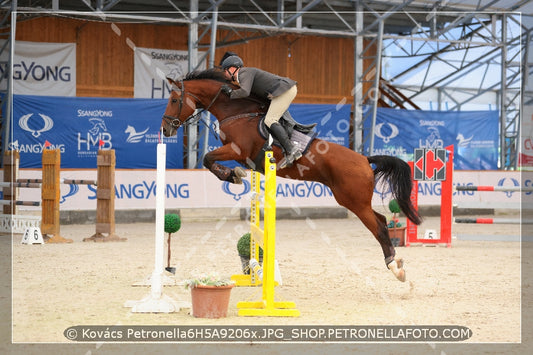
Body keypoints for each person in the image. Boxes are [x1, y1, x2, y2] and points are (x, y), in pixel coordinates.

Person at [219, 55, 302, 168]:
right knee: (269, 119)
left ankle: (292, 149)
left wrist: (230, 93)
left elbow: (244, 92)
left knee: (270, 120)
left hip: (285, 90)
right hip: (281, 92)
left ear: (232, 69)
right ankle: (287, 150)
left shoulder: (244, 73)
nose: (224, 74)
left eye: (225, 71)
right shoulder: (244, 76)